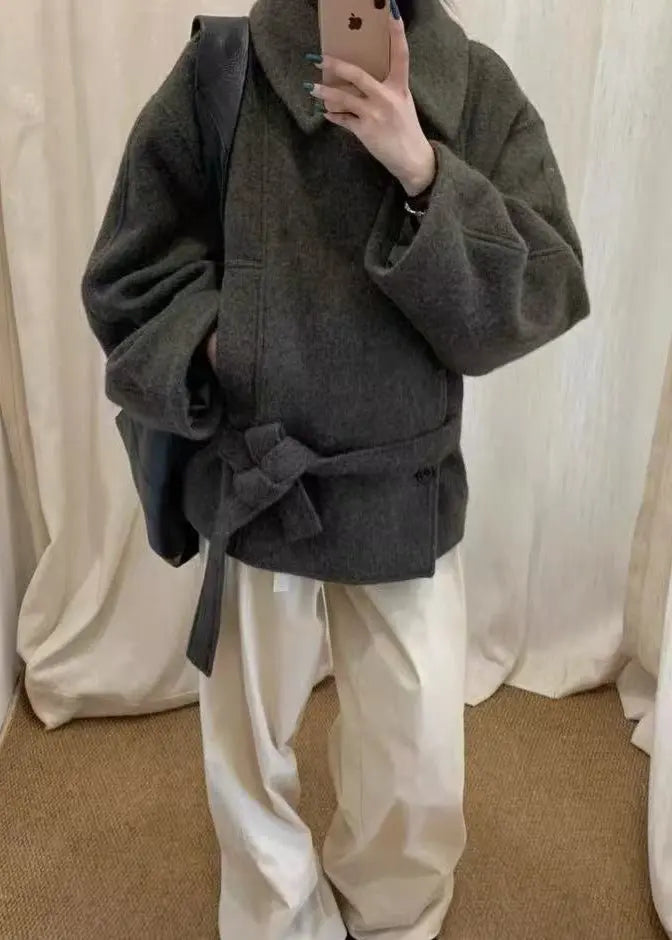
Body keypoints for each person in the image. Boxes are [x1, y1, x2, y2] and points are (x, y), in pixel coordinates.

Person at [81, 0, 589, 936]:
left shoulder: (473, 85)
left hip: (402, 481)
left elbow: (546, 284)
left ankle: (393, 916)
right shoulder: (223, 72)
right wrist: (230, 345)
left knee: (416, 754)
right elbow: (128, 269)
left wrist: (423, 170)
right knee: (247, 749)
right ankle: (276, 920)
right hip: (259, 469)